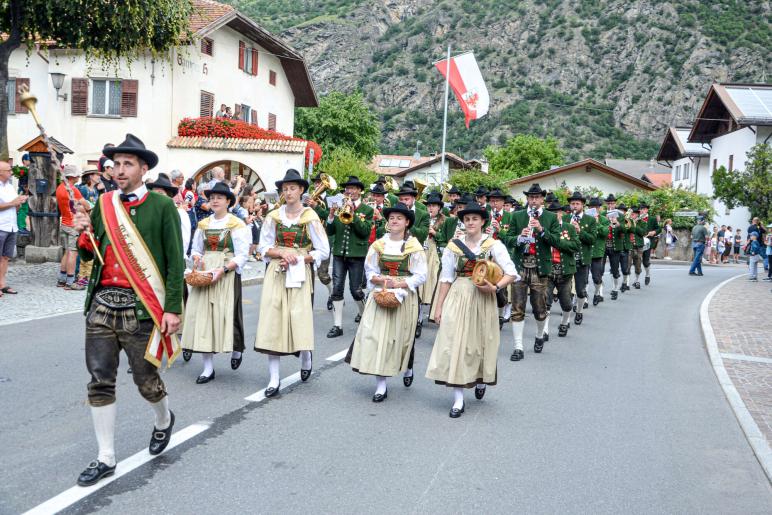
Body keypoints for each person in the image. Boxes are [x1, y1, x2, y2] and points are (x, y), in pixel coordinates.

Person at [71, 134, 183, 486]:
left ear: (143, 169)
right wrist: (83, 236)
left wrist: (172, 309)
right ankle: (106, 456)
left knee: (145, 381)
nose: (118, 170)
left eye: (127, 164)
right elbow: (91, 257)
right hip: (102, 306)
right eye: (115, 164)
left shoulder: (162, 207)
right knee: (100, 382)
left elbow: (174, 262)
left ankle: (164, 420)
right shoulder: (104, 205)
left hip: (141, 309)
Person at [426, 201, 518, 418]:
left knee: (479, 342)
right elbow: (446, 278)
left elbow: (511, 273)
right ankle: (458, 399)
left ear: (483, 221)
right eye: (467, 219)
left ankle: (480, 377)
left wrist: (495, 287)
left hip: (482, 297)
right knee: (454, 341)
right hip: (458, 294)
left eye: (474, 219)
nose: (470, 222)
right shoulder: (453, 246)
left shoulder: (493, 245)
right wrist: (438, 308)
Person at [255, 170, 330, 396]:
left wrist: (300, 258)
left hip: (299, 273)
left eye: (292, 188)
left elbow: (323, 250)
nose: (288, 192)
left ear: (301, 191)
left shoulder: (310, 217)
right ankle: (274, 378)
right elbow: (262, 247)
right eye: (285, 189)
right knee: (272, 320)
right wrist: (280, 253)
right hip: (277, 271)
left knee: (298, 318)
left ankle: (305, 355)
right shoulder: (274, 216)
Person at [346, 202, 427, 401]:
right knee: (376, 337)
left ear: (407, 222)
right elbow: (370, 269)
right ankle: (381, 385)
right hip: (380, 294)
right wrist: (379, 279)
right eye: (392, 218)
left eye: (399, 218)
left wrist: (399, 284)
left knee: (400, 339)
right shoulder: (378, 245)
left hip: (404, 297)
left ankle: (407, 365)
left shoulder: (414, 247)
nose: (395, 221)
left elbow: (421, 275)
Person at [181, 181, 249, 382]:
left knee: (228, 316)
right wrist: (195, 257)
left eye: (219, 197)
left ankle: (236, 348)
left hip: (226, 273)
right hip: (206, 273)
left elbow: (243, 254)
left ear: (228, 201)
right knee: (203, 317)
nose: (214, 200)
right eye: (211, 198)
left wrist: (225, 269)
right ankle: (208, 368)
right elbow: (195, 249)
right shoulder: (204, 225)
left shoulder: (236, 224)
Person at [499, 183, 560, 361]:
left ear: (542, 199)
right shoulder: (517, 216)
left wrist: (541, 230)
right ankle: (518, 347)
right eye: (531, 197)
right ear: (527, 199)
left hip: (539, 268)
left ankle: (540, 334)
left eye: (537, 197)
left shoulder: (550, 217)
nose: (533, 200)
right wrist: (519, 237)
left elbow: (557, 241)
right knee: (518, 308)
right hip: (520, 266)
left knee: (540, 309)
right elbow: (506, 239)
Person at [325, 175, 374, 338]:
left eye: (353, 188)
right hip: (339, 253)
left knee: (356, 290)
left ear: (359, 190)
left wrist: (352, 216)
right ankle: (337, 325)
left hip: (357, 254)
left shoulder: (367, 210)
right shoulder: (339, 207)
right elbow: (330, 232)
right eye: (347, 188)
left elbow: (365, 232)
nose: (350, 191)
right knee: (337, 290)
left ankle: (364, 315)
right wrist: (331, 216)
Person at [543, 202, 580, 339]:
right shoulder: (543, 229)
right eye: (551, 213)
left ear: (562, 214)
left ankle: (564, 322)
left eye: (557, 212)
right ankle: (545, 329)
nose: (555, 215)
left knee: (566, 302)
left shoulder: (569, 227)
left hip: (565, 271)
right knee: (545, 301)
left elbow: (576, 245)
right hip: (547, 270)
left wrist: (558, 242)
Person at [56, 165, 91, 290]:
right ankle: (70, 281)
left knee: (66, 251)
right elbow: (86, 205)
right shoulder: (73, 189)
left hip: (64, 223)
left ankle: (61, 279)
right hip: (73, 225)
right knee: (73, 253)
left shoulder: (59, 188)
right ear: (71, 177)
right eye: (77, 175)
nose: (79, 177)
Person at [305, 173, 334, 310]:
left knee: (322, 274)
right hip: (308, 238)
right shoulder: (307, 198)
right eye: (316, 183)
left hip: (324, 239)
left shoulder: (331, 200)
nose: (318, 185)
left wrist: (316, 206)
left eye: (320, 183)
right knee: (307, 272)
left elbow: (330, 217)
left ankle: (332, 294)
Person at [566, 191, 596, 323]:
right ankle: (566, 317)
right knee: (565, 290)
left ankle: (579, 311)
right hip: (567, 259)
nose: (574, 206)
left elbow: (593, 239)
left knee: (580, 289)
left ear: (583, 205)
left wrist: (580, 231)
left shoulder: (590, 220)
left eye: (577, 204)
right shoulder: (566, 219)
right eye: (572, 204)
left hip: (582, 259)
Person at [418, 193, 445, 330]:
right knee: (419, 283)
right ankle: (418, 317)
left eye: (433, 205)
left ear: (439, 208)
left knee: (430, 282)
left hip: (434, 253)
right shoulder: (422, 218)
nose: (430, 208)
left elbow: (446, 239)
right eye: (429, 205)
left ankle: (432, 312)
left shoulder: (444, 221)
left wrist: (435, 233)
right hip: (421, 251)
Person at [0, 161, 27, 297]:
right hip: (0, 225)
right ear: (0, 172)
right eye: (9, 170)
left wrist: (19, 203)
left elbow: (13, 206)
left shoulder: (10, 186)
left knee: (5, 257)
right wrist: (13, 203)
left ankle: (2, 284)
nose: (11, 172)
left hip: (11, 225)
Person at [588, 197, 609, 305]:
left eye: (596, 207)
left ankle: (597, 293)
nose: (594, 209)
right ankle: (584, 299)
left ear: (599, 208)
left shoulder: (604, 220)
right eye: (591, 207)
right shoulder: (585, 218)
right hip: (585, 252)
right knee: (583, 279)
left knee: (596, 277)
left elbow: (605, 233)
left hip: (597, 252)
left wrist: (597, 222)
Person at [638, 202, 659, 284]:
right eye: (641, 209)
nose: (642, 211)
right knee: (637, 261)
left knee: (645, 262)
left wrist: (654, 232)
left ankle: (647, 274)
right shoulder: (636, 218)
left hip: (648, 242)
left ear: (647, 210)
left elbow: (658, 229)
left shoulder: (652, 219)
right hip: (638, 242)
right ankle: (637, 280)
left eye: (644, 209)